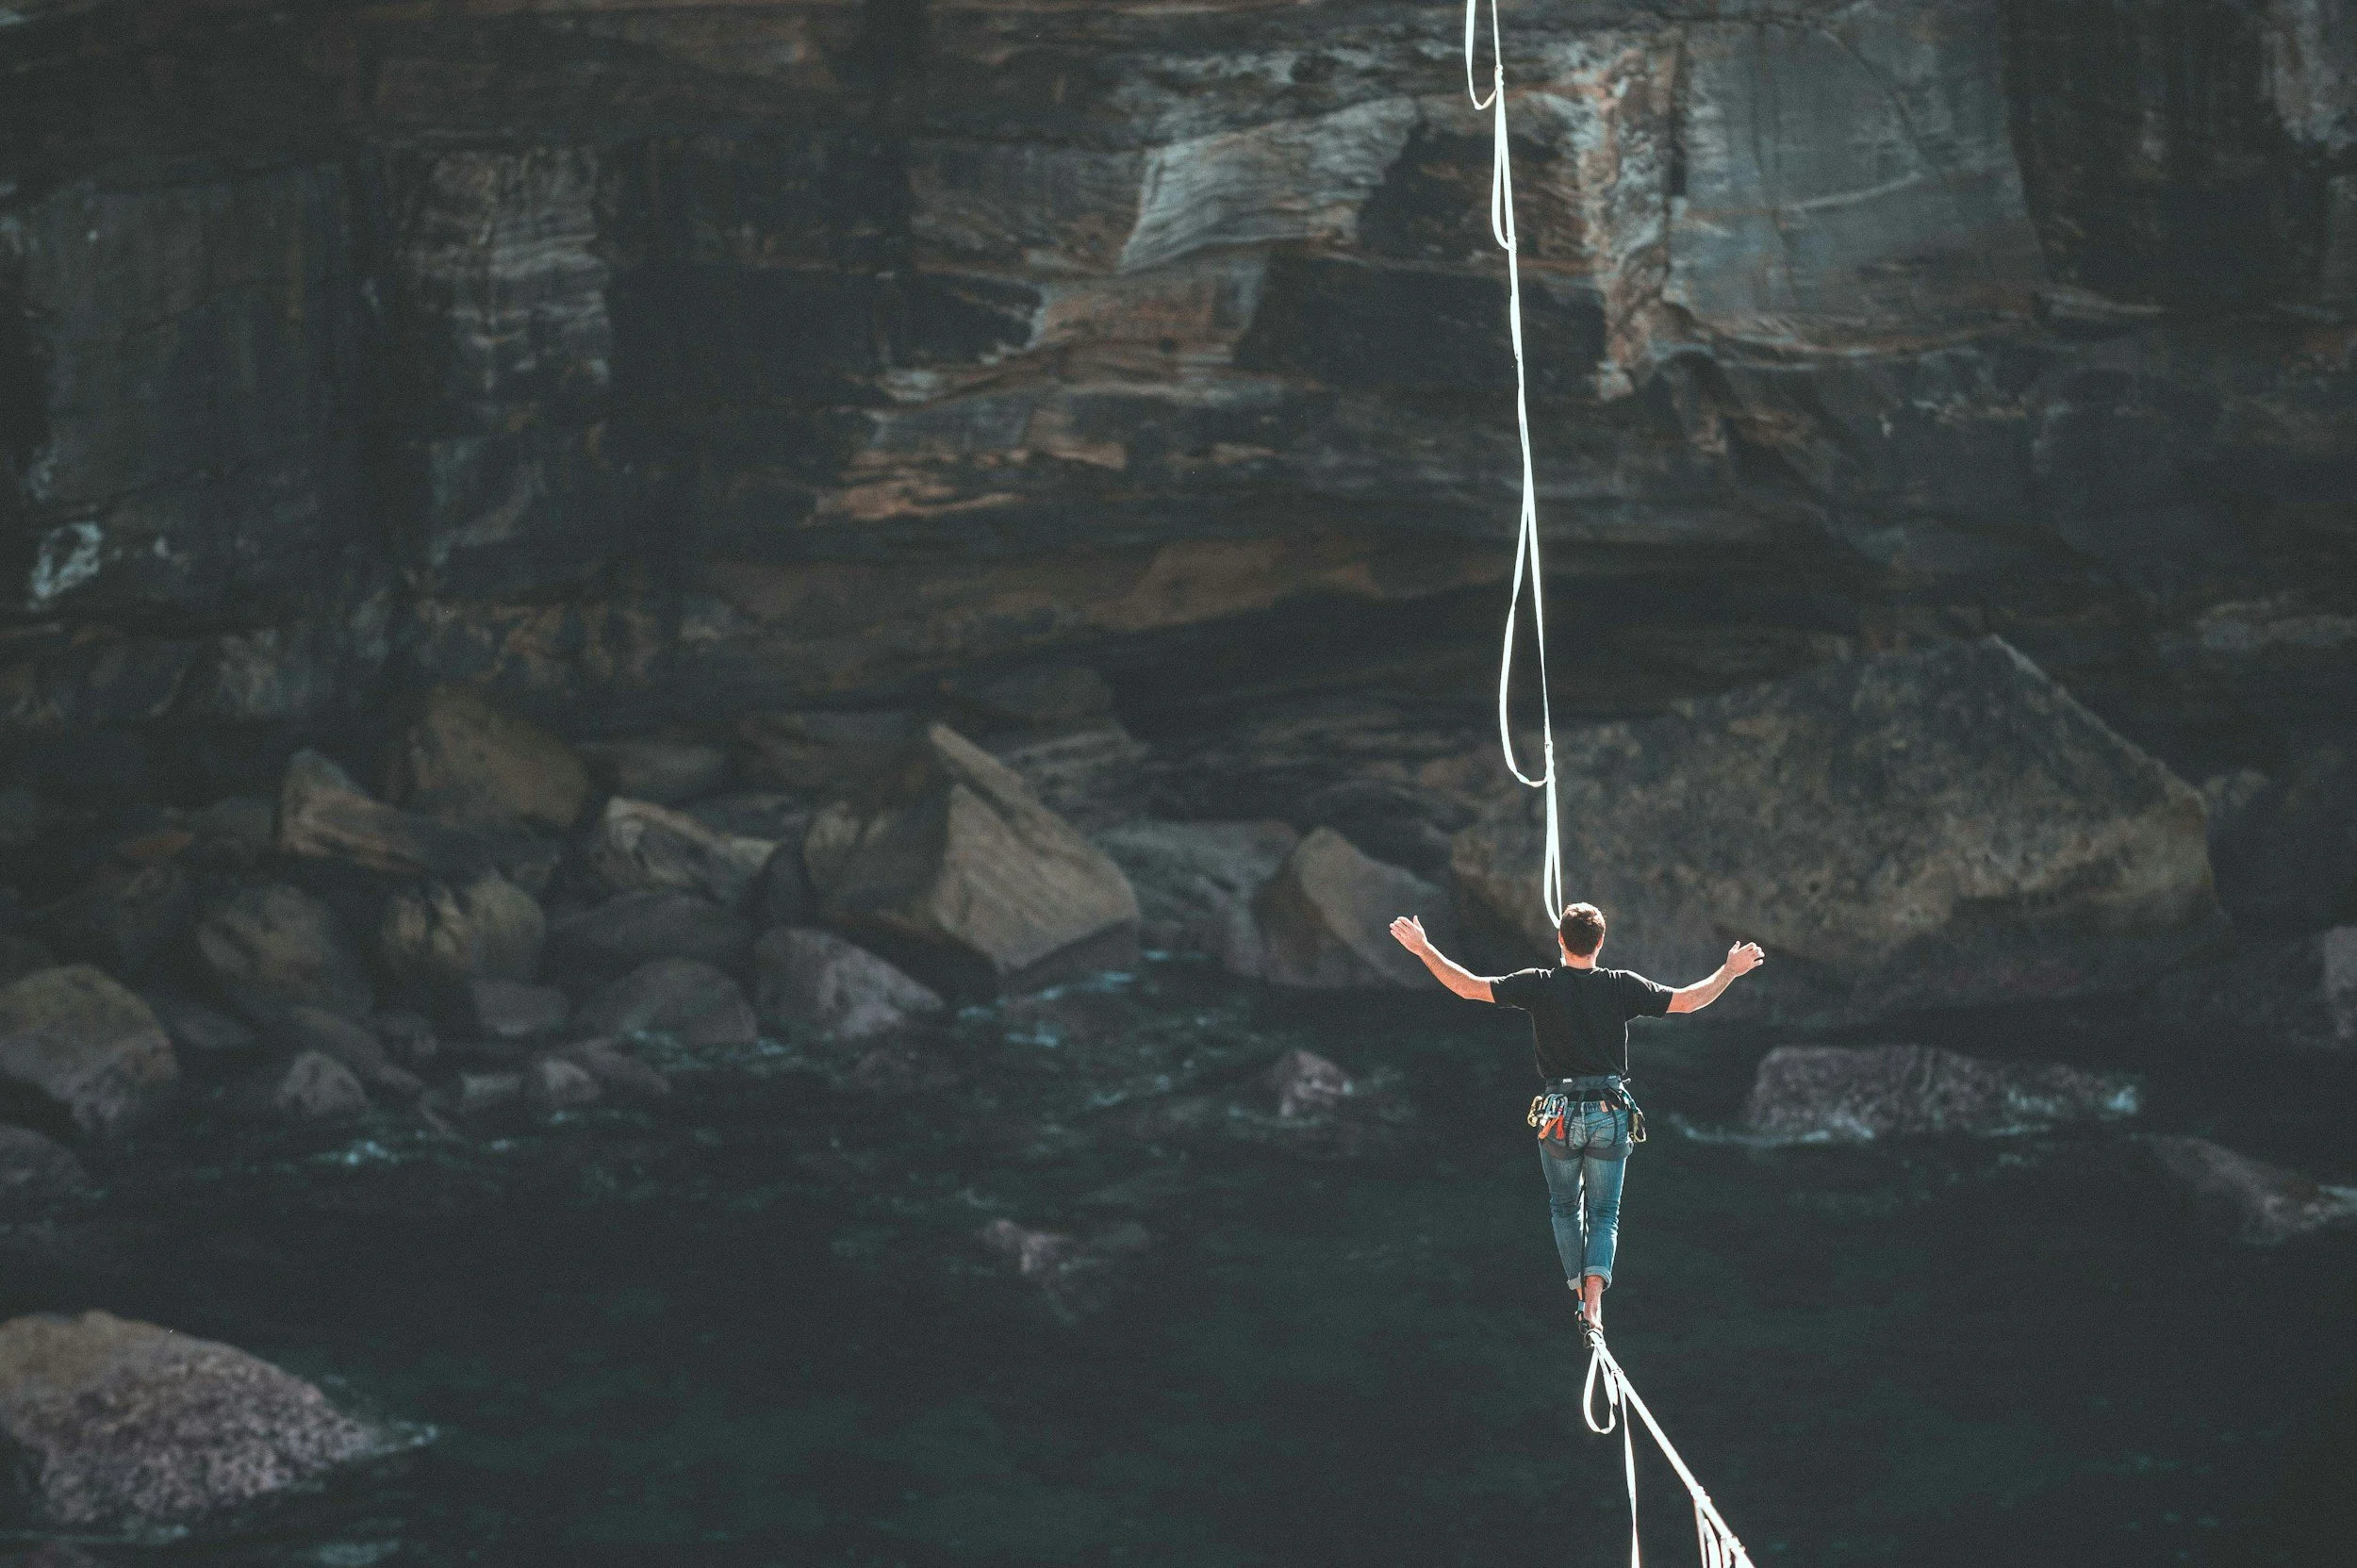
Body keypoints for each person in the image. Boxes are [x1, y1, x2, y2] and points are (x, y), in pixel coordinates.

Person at [1389, 903, 1764, 1330]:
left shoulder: (1538, 985)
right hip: (1609, 1112)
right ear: (1601, 942)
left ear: (1560, 941)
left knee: (1566, 1207)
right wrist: (1730, 969)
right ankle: (1593, 1303)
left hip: (1559, 1115)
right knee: (1605, 1213)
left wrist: (1423, 949)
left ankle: (1577, 1289)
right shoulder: (1623, 986)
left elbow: (1468, 987)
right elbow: (1688, 1001)